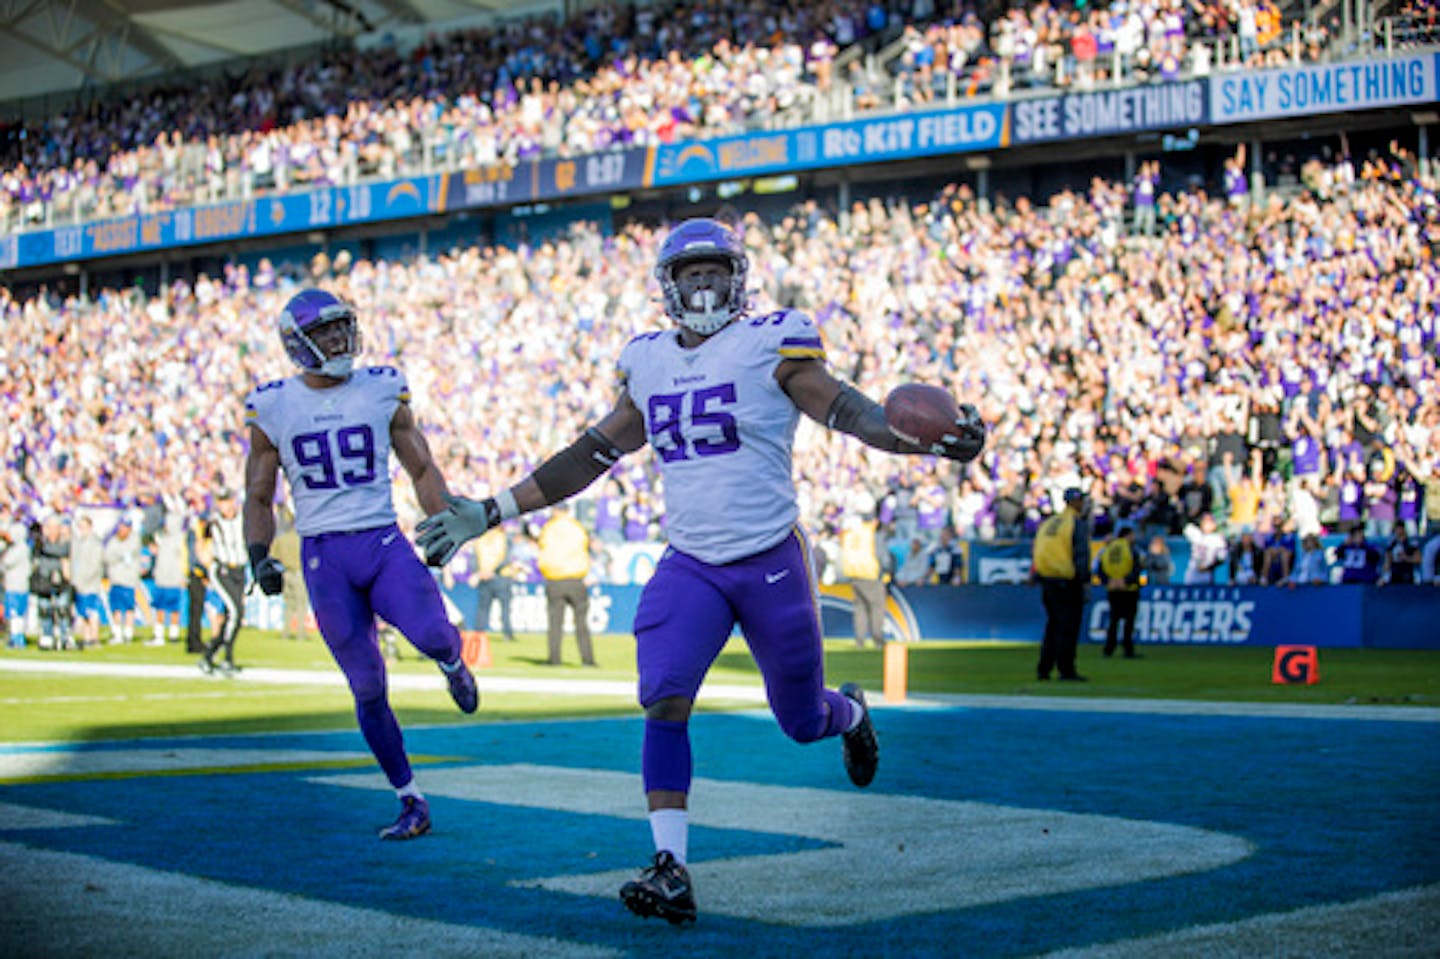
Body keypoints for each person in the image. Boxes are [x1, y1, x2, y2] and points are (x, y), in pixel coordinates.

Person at [417, 218, 985, 925]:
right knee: (663, 696)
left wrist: (919, 442)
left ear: (739, 278)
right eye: (692, 274)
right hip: (692, 562)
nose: (706, 284)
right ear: (668, 286)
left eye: (717, 271)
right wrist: (493, 509)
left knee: (802, 720)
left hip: (770, 557)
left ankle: (854, 713)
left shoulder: (772, 344)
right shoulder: (647, 361)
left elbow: (849, 411)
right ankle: (671, 866)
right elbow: (591, 452)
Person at [241, 287, 479, 841]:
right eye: (325, 331)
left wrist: (441, 519)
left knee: (433, 634)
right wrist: (259, 556)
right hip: (324, 556)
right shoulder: (272, 404)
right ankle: (409, 799)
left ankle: (451, 664)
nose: (338, 338)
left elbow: (421, 467)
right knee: (367, 685)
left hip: (381, 542)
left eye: (342, 327)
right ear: (298, 342)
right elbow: (258, 495)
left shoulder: (381, 388)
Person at [1031, 487, 1091, 681]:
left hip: (1048, 580)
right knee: (1068, 627)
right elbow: (1081, 555)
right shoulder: (1075, 524)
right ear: (1075, 502)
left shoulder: (1049, 523)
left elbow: (1039, 551)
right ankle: (1066, 669)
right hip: (1068, 581)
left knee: (1053, 625)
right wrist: (1084, 581)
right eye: (1081, 500)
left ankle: (1044, 668)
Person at [537, 502, 596, 666]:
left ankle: (554, 659)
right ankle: (588, 660)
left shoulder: (548, 528)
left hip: (555, 578)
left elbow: (543, 549)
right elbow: (585, 548)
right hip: (576, 579)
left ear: (555, 511)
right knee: (581, 623)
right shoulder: (577, 528)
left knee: (555, 623)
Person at [200, 488, 249, 675]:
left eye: (227, 500)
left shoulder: (243, 518)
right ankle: (227, 658)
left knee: (234, 616)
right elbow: (202, 541)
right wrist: (205, 562)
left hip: (240, 569)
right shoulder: (213, 521)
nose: (224, 505)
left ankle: (209, 655)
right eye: (220, 501)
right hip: (222, 570)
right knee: (236, 612)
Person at [838, 511, 887, 648]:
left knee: (860, 609)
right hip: (870, 573)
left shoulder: (852, 533)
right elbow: (882, 556)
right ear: (875, 521)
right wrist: (887, 571)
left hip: (854, 574)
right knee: (876, 608)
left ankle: (859, 641)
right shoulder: (872, 534)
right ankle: (878, 640)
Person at [1098, 523, 1142, 658]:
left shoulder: (1108, 549)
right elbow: (1136, 568)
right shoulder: (1130, 549)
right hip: (1128, 589)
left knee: (1113, 619)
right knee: (1129, 620)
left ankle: (1109, 648)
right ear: (1128, 535)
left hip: (1112, 588)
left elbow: (1100, 568)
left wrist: (1108, 580)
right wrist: (1126, 581)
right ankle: (1127, 648)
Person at [31, 516, 74, 650]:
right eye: (50, 528)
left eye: (55, 527)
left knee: (62, 609)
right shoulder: (40, 543)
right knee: (45, 609)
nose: (53, 531)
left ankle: (65, 636)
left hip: (61, 580)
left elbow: (63, 553)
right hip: (44, 580)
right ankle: (47, 636)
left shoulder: (65, 542)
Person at [473, 523, 517, 643]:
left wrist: (480, 572)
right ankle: (507, 634)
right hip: (501, 576)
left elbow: (475, 558)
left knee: (483, 608)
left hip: (486, 576)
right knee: (504, 608)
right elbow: (506, 558)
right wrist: (491, 571)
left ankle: (479, 634)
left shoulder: (480, 539)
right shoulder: (504, 538)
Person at [103, 517, 142, 643]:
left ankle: (128, 633)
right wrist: (119, 554)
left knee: (129, 608)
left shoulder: (134, 539)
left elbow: (130, 551)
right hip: (115, 579)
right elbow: (108, 557)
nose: (122, 529)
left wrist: (118, 554)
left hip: (129, 580)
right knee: (116, 609)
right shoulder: (113, 541)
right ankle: (117, 634)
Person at [70, 514, 107, 649]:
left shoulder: (95, 543)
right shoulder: (79, 543)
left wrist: (84, 580)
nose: (82, 530)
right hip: (79, 584)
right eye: (80, 527)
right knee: (83, 612)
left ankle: (94, 637)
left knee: (92, 612)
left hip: (90, 584)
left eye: (84, 527)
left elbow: (95, 565)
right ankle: (87, 637)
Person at [3, 521, 33, 648]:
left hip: (15, 585)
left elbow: (6, 562)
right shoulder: (23, 548)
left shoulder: (19, 549)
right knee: (17, 614)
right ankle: (16, 636)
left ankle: (16, 638)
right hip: (17, 584)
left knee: (15, 613)